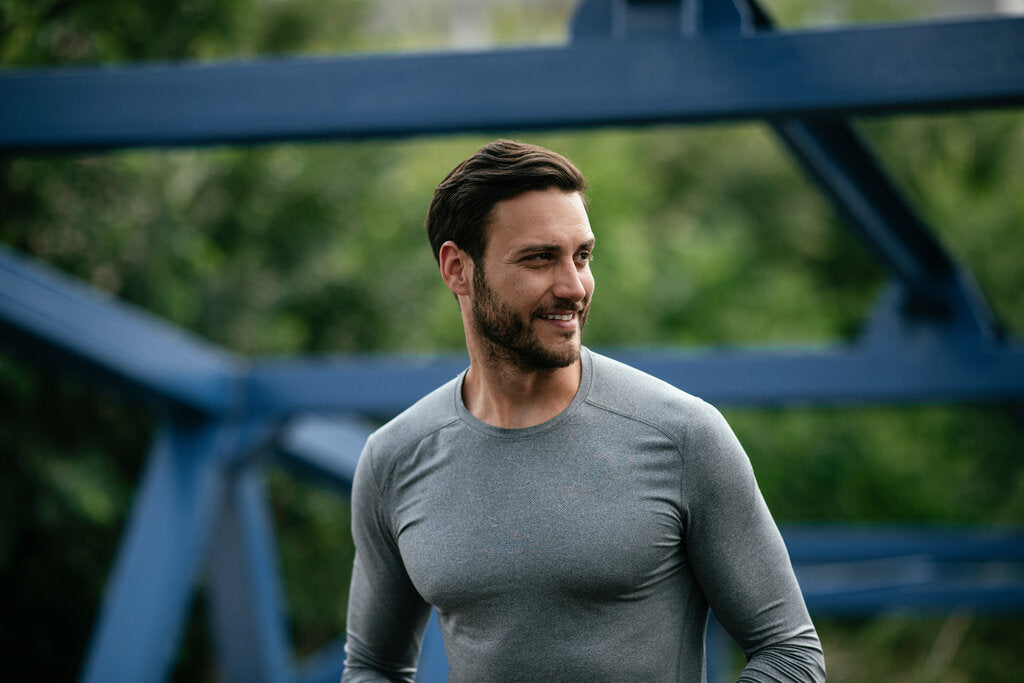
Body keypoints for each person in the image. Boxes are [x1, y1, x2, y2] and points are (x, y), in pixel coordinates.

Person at [341, 139, 825, 681]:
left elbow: (791, 654)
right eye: (540, 258)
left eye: (583, 256)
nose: (574, 287)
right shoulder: (393, 458)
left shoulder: (684, 436)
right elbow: (372, 667)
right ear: (457, 268)